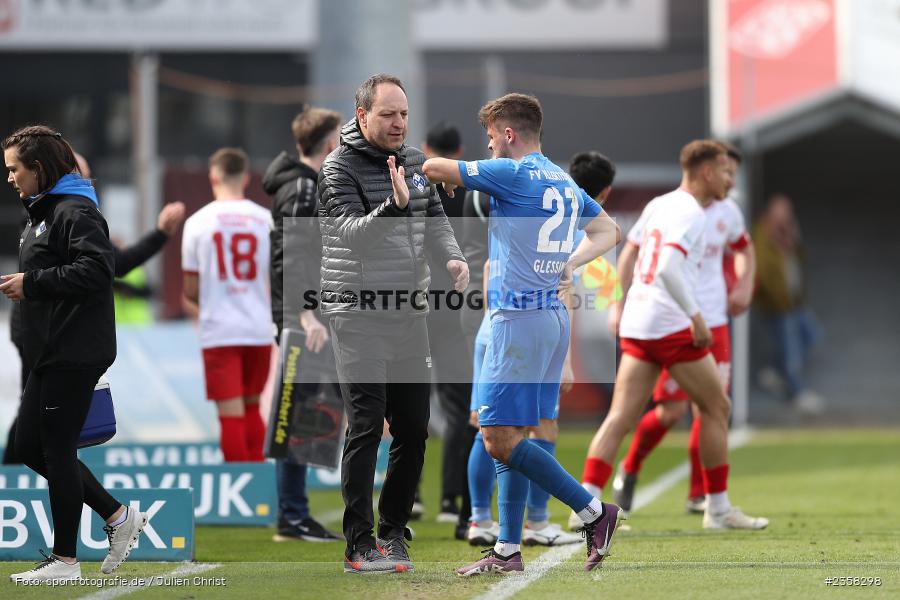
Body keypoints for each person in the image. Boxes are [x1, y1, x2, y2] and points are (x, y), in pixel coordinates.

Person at [423, 93, 622, 575]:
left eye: (491, 137)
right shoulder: (560, 177)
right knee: (512, 432)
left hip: (516, 321)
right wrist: (569, 262)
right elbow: (610, 230)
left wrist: (404, 154)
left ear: (508, 134)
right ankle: (508, 549)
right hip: (550, 318)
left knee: (494, 436)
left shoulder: (512, 172)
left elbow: (435, 171)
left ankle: (593, 511)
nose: (488, 145)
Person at [317, 74, 468, 574]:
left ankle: (393, 532)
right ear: (362, 116)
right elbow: (354, 237)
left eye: (403, 113)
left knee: (414, 428)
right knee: (365, 427)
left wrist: (452, 258)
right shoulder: (337, 168)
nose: (399, 122)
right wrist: (394, 205)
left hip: (409, 312)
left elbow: (435, 221)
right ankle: (358, 544)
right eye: (388, 114)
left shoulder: (413, 161)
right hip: (357, 315)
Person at [575, 140, 768, 531]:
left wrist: (619, 303)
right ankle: (717, 509)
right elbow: (666, 269)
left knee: (620, 417)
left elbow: (635, 256)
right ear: (706, 172)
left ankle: (585, 507)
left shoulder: (660, 205)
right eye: (725, 172)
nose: (730, 181)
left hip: (641, 322)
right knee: (717, 408)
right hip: (671, 324)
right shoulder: (692, 213)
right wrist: (696, 318)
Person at [2, 125, 148, 581]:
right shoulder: (42, 212)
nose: (9, 178)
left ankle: (65, 560)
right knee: (27, 447)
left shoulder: (76, 210)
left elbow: (97, 271)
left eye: (14, 169)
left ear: (38, 169)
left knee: (57, 449)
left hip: (76, 348)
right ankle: (119, 517)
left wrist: (32, 284)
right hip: (51, 349)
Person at [463, 150, 618, 549]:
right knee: (508, 431)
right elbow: (569, 285)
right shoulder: (556, 218)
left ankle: (498, 531)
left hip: (500, 330)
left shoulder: (515, 210)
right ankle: (553, 516)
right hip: (521, 333)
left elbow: (485, 273)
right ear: (604, 192)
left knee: (495, 431)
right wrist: (563, 357)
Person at [3, 155, 185, 464]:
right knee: (39, 434)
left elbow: (107, 267)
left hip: (62, 338)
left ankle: (106, 510)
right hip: (40, 334)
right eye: (79, 176)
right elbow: (106, 268)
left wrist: (160, 235)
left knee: (47, 439)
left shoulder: (72, 214)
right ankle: (21, 484)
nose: (84, 184)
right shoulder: (49, 216)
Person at [263, 105, 343, 543]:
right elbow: (291, 259)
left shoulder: (304, 185)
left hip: (305, 314)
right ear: (329, 144)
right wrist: (305, 313)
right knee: (296, 413)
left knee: (308, 414)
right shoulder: (303, 189)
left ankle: (296, 513)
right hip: (304, 318)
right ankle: (291, 516)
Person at [181, 148, 273, 463]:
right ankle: (259, 486)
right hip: (258, 328)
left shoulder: (197, 223)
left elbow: (190, 290)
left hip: (220, 330)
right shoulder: (265, 220)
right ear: (246, 178)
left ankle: (243, 493)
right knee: (251, 406)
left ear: (213, 177)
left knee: (230, 414)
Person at [421, 121, 477, 532]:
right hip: (457, 310)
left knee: (408, 406)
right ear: (459, 150)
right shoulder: (472, 195)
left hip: (416, 309)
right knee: (460, 409)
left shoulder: (411, 188)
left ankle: (411, 498)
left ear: (427, 148)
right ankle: (453, 500)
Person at [753, 193, 824, 414]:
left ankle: (775, 371)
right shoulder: (762, 234)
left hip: (795, 301)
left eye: (788, 211)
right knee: (791, 350)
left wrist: (793, 239)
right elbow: (762, 271)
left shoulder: (789, 234)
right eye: (781, 211)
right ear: (771, 212)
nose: (785, 216)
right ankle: (797, 392)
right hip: (778, 304)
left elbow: (801, 259)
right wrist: (777, 298)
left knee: (812, 335)